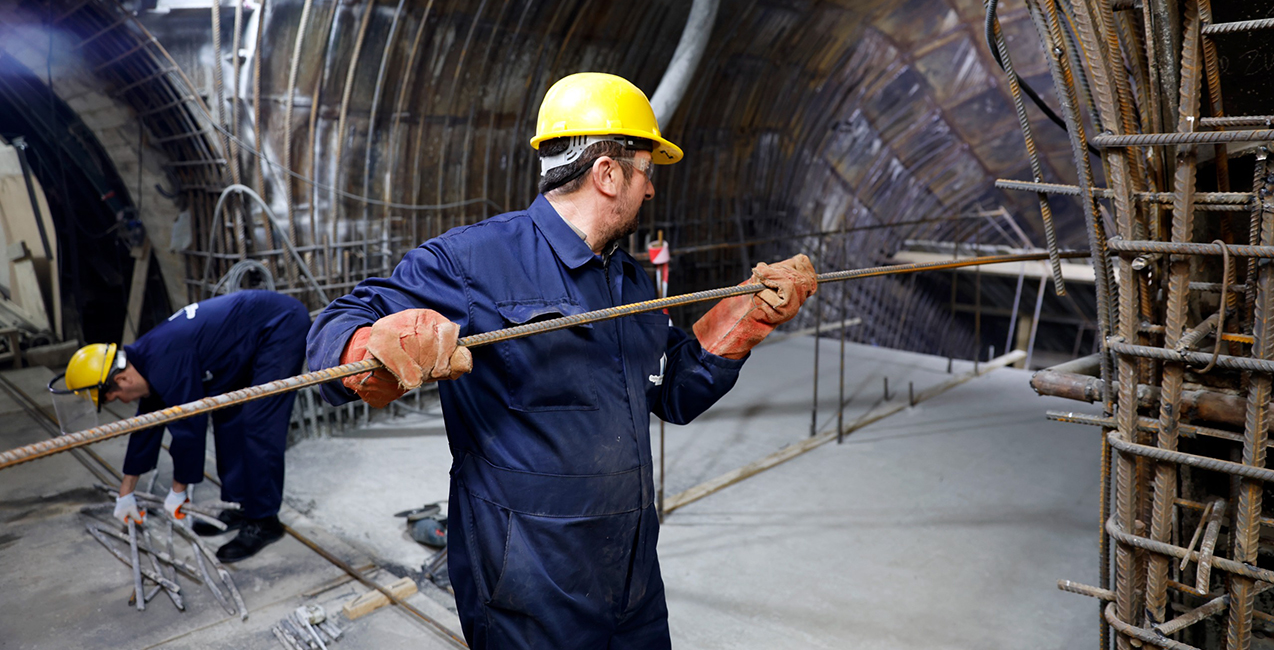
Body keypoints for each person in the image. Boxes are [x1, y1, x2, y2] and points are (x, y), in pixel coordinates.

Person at [307, 72, 817, 648]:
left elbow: (674, 390)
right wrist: (368, 348)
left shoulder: (629, 279)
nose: (650, 189)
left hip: (631, 578)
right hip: (527, 587)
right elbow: (336, 325)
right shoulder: (472, 261)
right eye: (645, 171)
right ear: (608, 174)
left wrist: (748, 315)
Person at [64, 289, 311, 562]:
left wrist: (178, 491)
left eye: (115, 397)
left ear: (122, 380)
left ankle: (264, 521)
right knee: (228, 418)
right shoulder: (146, 360)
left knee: (258, 424)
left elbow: (189, 428)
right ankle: (242, 507)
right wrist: (126, 492)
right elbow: (146, 424)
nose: (122, 401)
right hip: (248, 339)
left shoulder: (166, 360)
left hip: (280, 326)